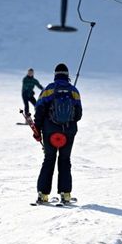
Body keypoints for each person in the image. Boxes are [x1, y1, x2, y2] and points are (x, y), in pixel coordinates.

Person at [34, 63, 82, 204]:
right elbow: (78, 115)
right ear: (67, 76)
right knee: (65, 161)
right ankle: (65, 194)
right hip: (68, 133)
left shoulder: (48, 89)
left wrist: (38, 130)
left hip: (49, 132)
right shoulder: (74, 91)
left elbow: (39, 112)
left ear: (55, 75)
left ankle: (43, 195)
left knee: (49, 160)